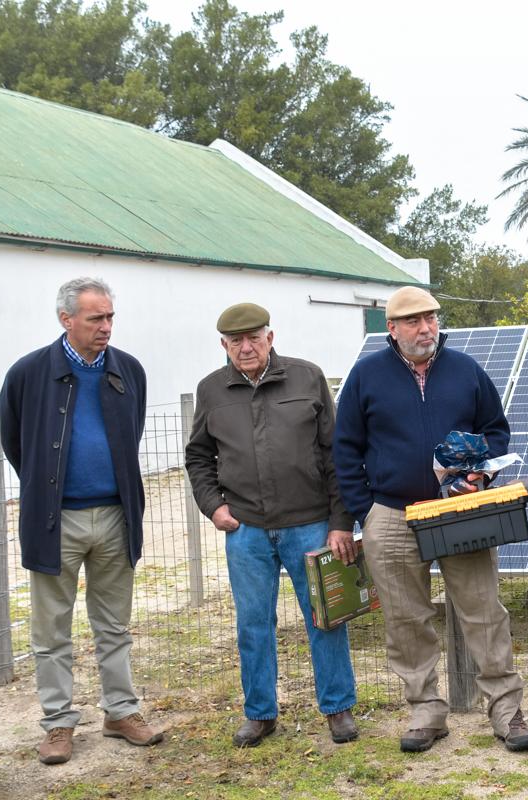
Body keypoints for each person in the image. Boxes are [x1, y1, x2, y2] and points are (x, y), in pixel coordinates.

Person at [332, 286, 528, 754]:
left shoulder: (465, 370)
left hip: (458, 510)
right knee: (406, 619)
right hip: (392, 514)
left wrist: (480, 478)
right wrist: (366, 509)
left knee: (484, 612)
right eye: (414, 321)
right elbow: (345, 450)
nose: (426, 329)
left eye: (431, 319)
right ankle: (426, 712)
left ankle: (506, 712)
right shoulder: (366, 376)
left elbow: (496, 431)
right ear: (392, 329)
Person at [0, 278, 162, 765]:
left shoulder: (128, 370)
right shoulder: (29, 372)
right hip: (56, 520)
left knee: (114, 625)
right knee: (52, 631)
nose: (106, 327)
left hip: (116, 515)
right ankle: (58, 723)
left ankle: (120, 712)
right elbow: (16, 442)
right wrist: (48, 486)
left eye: (110, 317)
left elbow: (130, 434)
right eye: (95, 318)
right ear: (66, 319)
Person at [184, 303, 360, 748]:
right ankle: (260, 713)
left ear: (271, 336)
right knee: (253, 624)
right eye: (235, 341)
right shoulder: (211, 391)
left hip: (311, 524)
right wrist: (213, 507)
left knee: (325, 618)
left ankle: (338, 708)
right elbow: (199, 457)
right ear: (223, 345)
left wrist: (341, 522)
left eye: (254, 337)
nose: (246, 347)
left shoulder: (307, 378)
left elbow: (335, 455)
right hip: (247, 529)